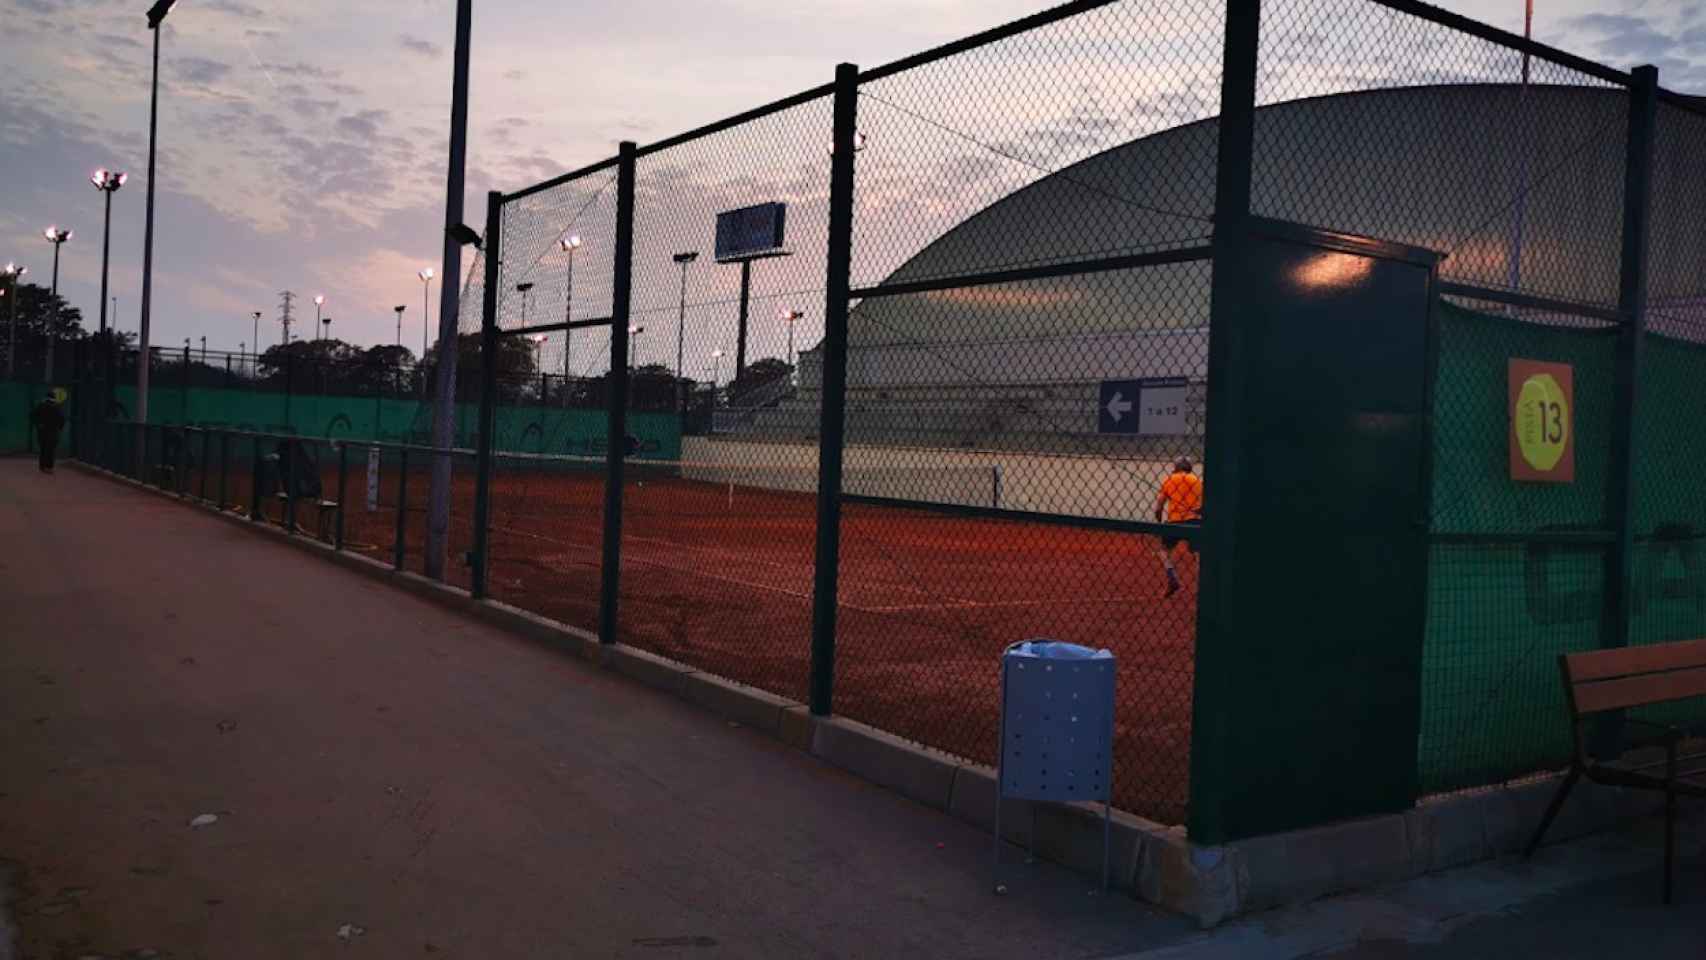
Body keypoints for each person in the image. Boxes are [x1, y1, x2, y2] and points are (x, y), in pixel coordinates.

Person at [1154, 457, 1203, 597]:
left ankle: (1172, 576)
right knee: (1199, 554)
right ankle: (1202, 586)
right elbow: (1203, 506)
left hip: (1174, 521)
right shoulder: (1197, 481)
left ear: (1176, 467)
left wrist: (1158, 522)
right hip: (1195, 521)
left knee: (1163, 550)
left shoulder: (1170, 479)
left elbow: (1159, 507)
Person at [31, 392, 66, 475]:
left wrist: (38, 425)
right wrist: (60, 428)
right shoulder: (57, 407)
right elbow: (62, 419)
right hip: (53, 431)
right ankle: (49, 467)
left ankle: (42, 466)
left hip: (42, 431)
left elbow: (32, 416)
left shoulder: (41, 405)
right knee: (50, 449)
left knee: (43, 448)